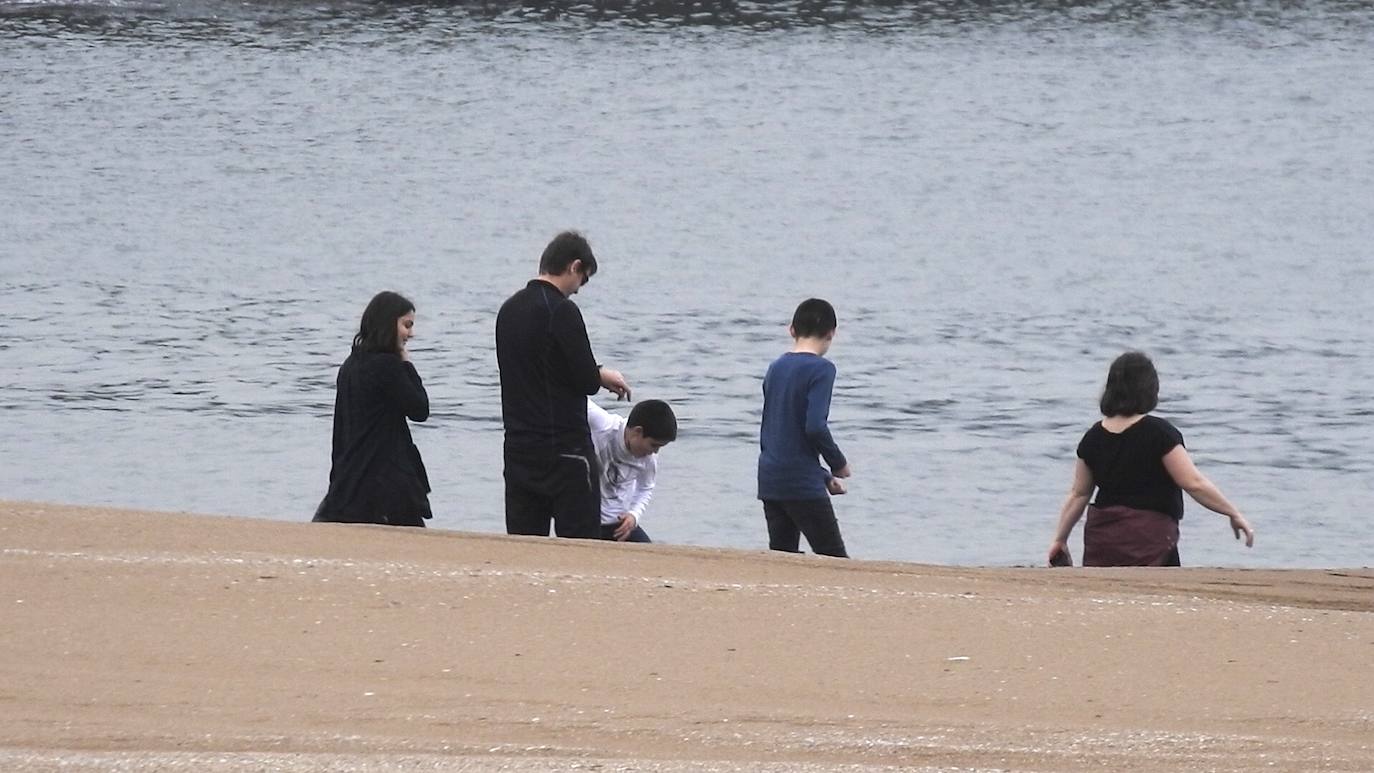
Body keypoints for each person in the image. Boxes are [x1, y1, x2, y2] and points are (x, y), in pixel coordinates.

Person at [1048, 351, 1255, 566]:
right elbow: (1193, 483)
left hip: (1103, 539)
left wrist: (1060, 539)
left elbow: (1079, 494)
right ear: (1150, 389)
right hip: (1148, 539)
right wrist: (1233, 512)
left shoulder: (1093, 437)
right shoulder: (1159, 433)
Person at [495, 231, 632, 539]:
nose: (578, 291)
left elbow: (534, 367)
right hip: (565, 451)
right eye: (582, 280)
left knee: (525, 543)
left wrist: (596, 372)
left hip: (519, 447)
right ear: (574, 266)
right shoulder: (562, 310)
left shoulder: (508, 310)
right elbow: (585, 380)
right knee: (580, 546)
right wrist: (599, 374)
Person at [314, 291, 431, 527]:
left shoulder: (351, 364)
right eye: (406, 325)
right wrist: (407, 363)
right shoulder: (388, 366)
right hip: (384, 479)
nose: (411, 333)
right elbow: (420, 409)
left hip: (350, 474)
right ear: (389, 323)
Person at [757, 298, 852, 558]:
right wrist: (837, 463)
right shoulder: (822, 369)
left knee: (784, 558)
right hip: (800, 483)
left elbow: (779, 433)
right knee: (834, 558)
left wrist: (822, 476)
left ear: (792, 330)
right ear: (832, 333)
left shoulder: (776, 367)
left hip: (770, 477)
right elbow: (814, 427)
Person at [587, 397, 677, 542]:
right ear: (637, 432)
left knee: (651, 557)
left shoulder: (649, 457)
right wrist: (603, 377)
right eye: (654, 445)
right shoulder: (605, 425)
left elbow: (645, 487)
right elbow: (571, 395)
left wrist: (634, 515)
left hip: (619, 525)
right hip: (587, 522)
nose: (655, 452)